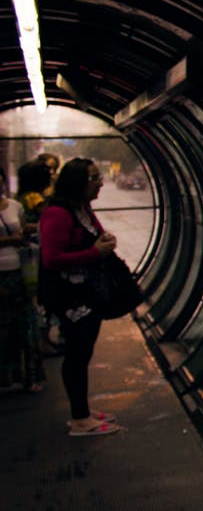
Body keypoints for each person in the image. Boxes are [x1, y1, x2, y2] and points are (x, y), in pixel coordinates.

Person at [40, 158, 122, 436]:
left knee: (83, 351)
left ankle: (83, 411)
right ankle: (79, 420)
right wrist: (95, 253)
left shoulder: (82, 209)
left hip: (87, 293)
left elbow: (95, 236)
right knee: (76, 353)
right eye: (94, 178)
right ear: (77, 183)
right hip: (70, 297)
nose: (100, 182)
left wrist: (105, 241)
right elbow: (51, 259)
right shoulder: (58, 214)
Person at [0, 166, 41, 392]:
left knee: (22, 323)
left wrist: (29, 232)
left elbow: (23, 230)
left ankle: (24, 375)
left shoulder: (15, 206)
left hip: (18, 270)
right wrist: (9, 240)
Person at [16, 160, 59, 357]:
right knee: (44, 296)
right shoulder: (35, 197)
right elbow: (49, 217)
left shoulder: (21, 196)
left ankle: (43, 340)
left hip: (28, 253)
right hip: (38, 251)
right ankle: (43, 341)